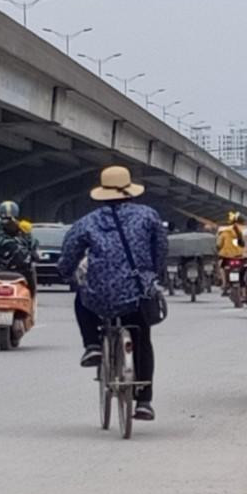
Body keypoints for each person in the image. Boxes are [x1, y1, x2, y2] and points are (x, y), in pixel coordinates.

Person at [57, 167, 167, 421]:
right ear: (129, 190)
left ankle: (92, 345)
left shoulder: (87, 222)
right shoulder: (148, 215)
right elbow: (160, 248)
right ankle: (144, 402)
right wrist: (154, 273)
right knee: (142, 339)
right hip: (137, 294)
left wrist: (65, 273)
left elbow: (70, 253)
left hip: (100, 294)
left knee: (81, 300)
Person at [0, 201, 39, 295]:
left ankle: (31, 296)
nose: (7, 221)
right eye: (5, 218)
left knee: (30, 272)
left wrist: (32, 251)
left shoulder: (22, 226)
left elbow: (31, 241)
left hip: (19, 265)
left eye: (9, 218)